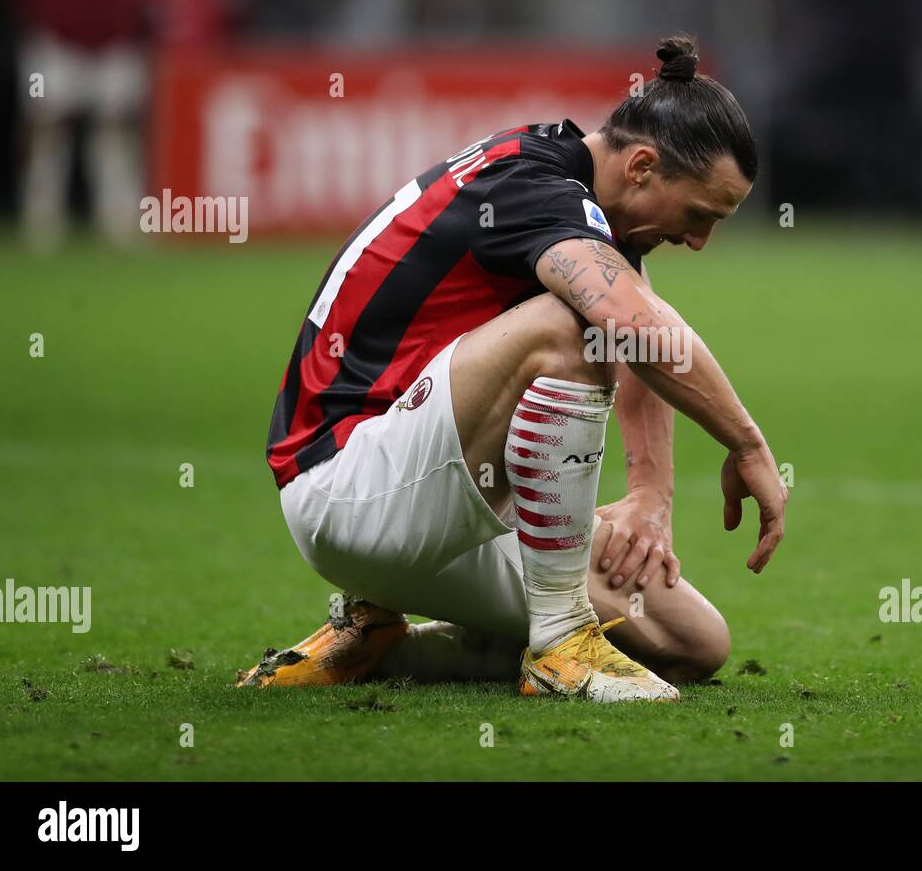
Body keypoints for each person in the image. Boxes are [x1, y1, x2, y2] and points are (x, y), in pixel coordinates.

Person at [239, 35, 788, 703]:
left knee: (690, 641)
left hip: (432, 500)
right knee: (571, 328)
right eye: (700, 215)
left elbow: (641, 318)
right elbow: (626, 322)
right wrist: (747, 442)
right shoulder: (533, 186)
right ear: (642, 166)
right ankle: (560, 643)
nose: (700, 240)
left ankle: (383, 642)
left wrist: (651, 496)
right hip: (347, 491)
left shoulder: (581, 204)